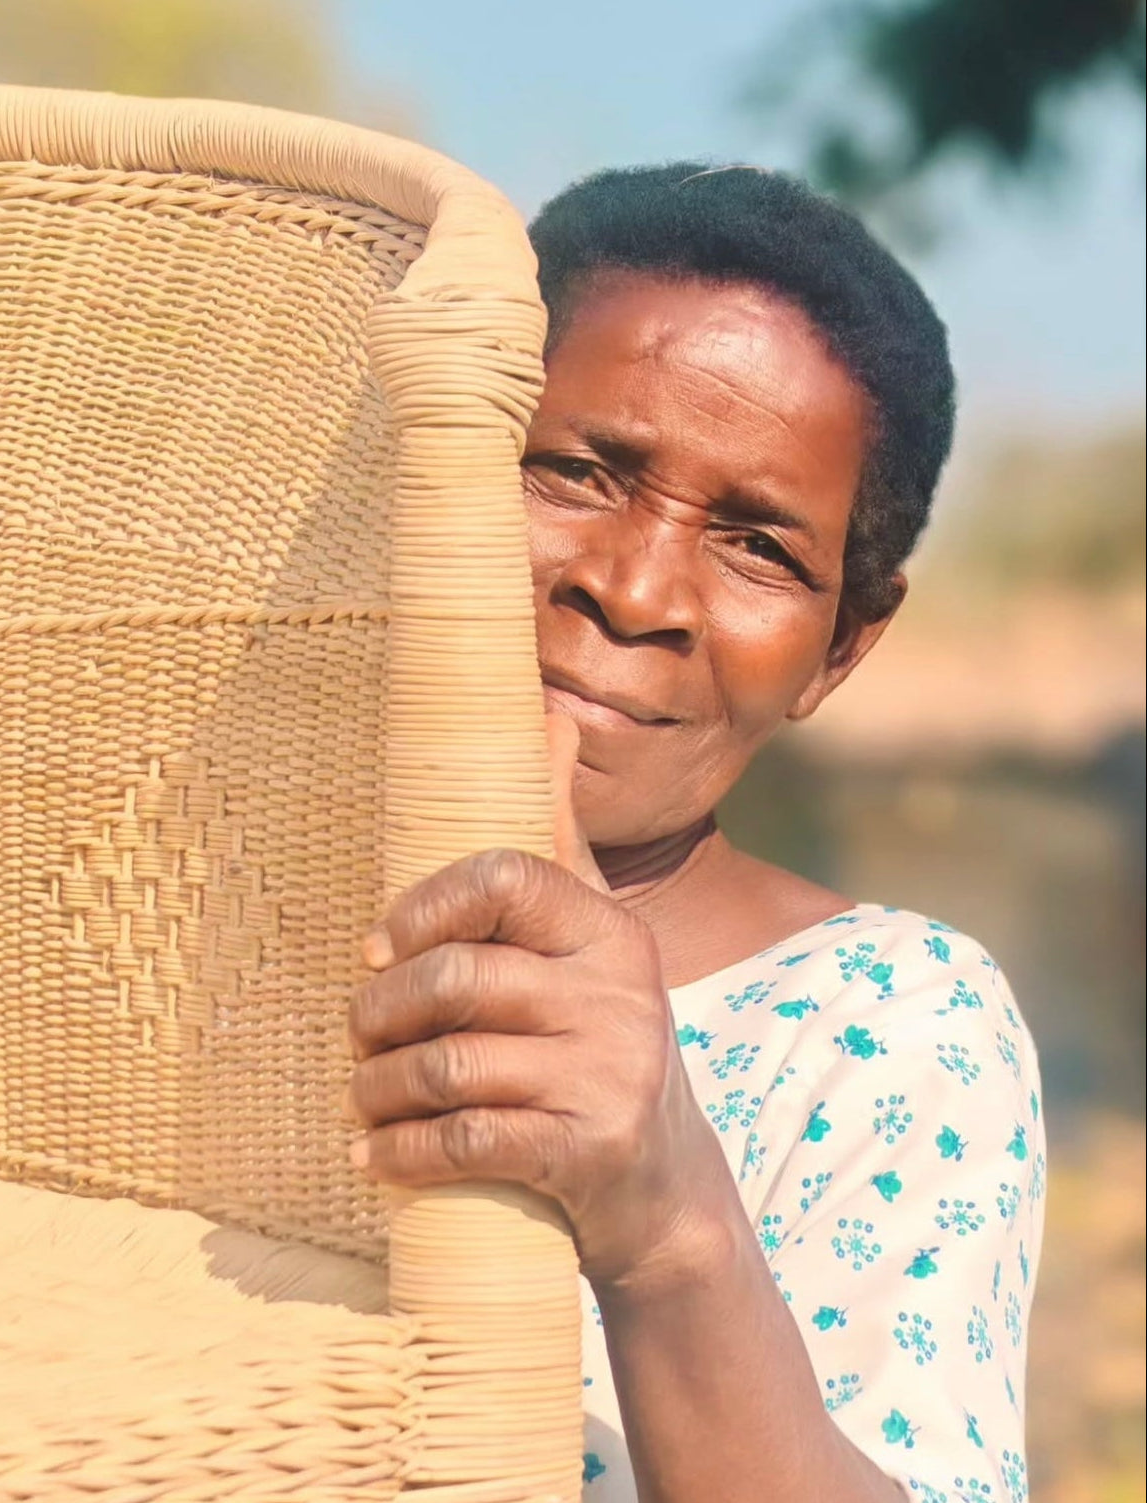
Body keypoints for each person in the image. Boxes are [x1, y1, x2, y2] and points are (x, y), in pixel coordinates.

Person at [347, 164, 1044, 1503]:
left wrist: (668, 1222)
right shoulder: (173, 893)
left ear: (842, 648)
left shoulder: (890, 1028)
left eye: (760, 549)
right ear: (431, 468)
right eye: (576, 469)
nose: (635, 589)